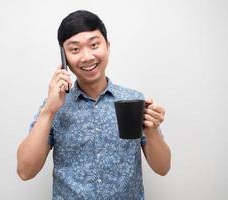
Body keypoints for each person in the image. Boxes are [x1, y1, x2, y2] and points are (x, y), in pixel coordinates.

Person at [17, 10, 171, 199]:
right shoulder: (53, 106)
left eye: (94, 45)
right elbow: (25, 171)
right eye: (75, 49)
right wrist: (48, 111)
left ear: (107, 46)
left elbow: (163, 168)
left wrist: (152, 130)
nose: (87, 56)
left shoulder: (133, 100)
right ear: (64, 58)